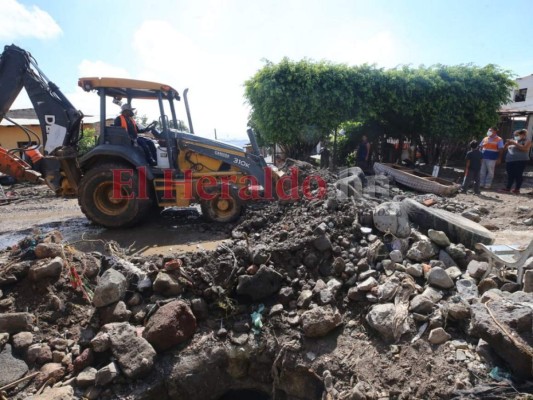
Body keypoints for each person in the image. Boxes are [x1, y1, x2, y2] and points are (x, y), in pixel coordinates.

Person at [500, 129, 531, 194]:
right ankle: (508, 188)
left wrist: (514, 143)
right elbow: (505, 148)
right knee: (510, 174)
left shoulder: (527, 141)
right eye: (515, 135)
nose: (515, 136)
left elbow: (525, 149)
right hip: (510, 160)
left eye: (517, 135)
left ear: (523, 135)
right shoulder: (514, 141)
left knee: (518, 175)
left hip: (520, 161)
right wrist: (507, 144)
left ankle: (517, 189)